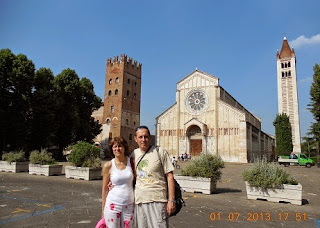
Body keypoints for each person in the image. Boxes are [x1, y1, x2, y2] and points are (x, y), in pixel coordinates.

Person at [132, 125, 175, 228]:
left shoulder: (160, 152)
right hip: (140, 200)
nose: (143, 140)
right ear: (135, 139)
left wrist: (171, 200)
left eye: (146, 137)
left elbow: (169, 176)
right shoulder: (133, 154)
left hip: (158, 200)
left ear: (150, 138)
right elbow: (128, 175)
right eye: (140, 137)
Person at [101, 137, 135, 228]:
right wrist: (103, 210)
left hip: (129, 205)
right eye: (115, 147)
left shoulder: (132, 163)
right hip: (113, 204)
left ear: (124, 148)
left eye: (120, 146)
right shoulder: (108, 165)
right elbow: (104, 189)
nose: (117, 149)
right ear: (112, 149)